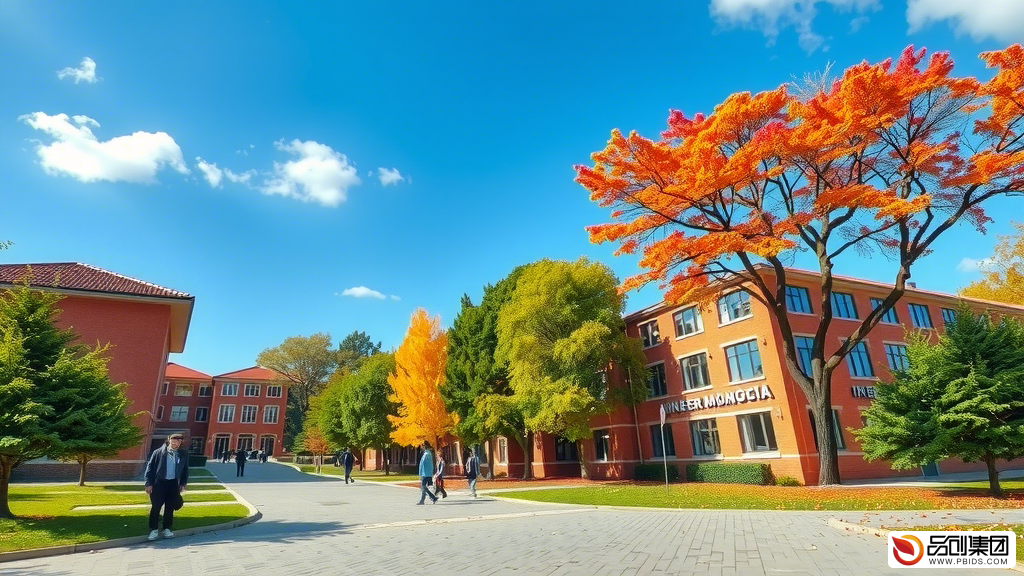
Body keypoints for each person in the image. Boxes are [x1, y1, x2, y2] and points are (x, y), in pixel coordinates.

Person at [144, 433, 189, 541]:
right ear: (169, 440)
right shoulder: (158, 452)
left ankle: (167, 528)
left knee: (170, 507)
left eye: (178, 441)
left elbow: (185, 470)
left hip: (173, 484)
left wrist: (182, 483)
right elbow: (150, 468)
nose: (176, 443)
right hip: (159, 483)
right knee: (156, 507)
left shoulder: (182, 454)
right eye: (174, 441)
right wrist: (148, 483)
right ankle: (153, 529)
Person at [416, 441, 437, 505]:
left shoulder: (426, 454)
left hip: (425, 473)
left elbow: (423, 465)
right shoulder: (428, 453)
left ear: (424, 446)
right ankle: (422, 500)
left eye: (422, 445)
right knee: (424, 487)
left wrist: (421, 473)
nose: (421, 447)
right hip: (427, 473)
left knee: (423, 487)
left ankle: (433, 497)